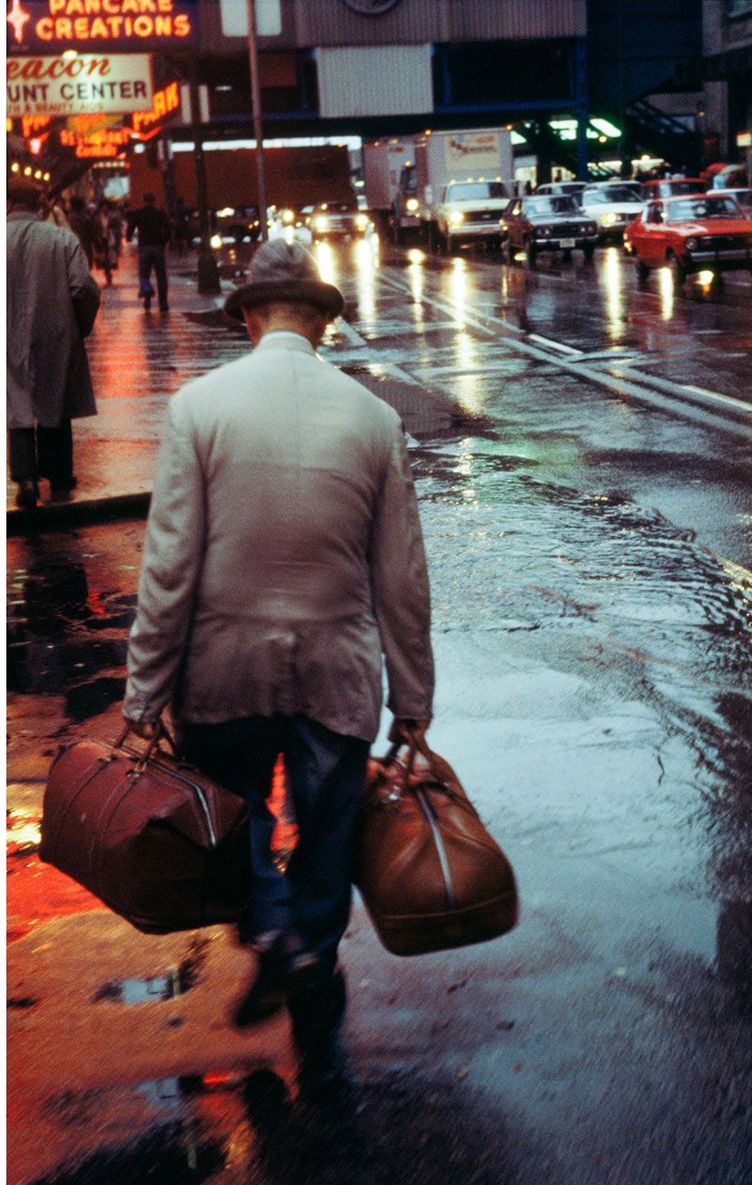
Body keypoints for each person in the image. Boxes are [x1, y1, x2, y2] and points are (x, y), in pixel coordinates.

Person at [122, 239, 435, 1091]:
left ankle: (269, 924)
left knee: (240, 806)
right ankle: (312, 957)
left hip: (222, 672)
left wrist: (145, 688)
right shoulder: (373, 420)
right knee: (329, 821)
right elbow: (400, 575)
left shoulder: (200, 408)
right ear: (323, 324)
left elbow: (170, 563)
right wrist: (412, 697)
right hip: (336, 668)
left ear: (250, 318)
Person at [7, 179, 101, 508]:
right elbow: (84, 288)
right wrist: (78, 326)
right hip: (53, 332)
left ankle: (26, 479)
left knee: (16, 407)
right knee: (55, 401)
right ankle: (58, 474)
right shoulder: (61, 239)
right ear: (42, 205)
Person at [126, 191, 171, 311]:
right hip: (157, 247)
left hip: (144, 247)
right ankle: (163, 303)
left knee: (144, 274)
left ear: (143, 200)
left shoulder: (139, 213)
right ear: (154, 200)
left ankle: (147, 297)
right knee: (161, 276)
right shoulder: (160, 213)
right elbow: (167, 229)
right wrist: (163, 242)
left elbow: (131, 227)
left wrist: (128, 237)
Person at [66, 195, 102, 267]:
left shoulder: (67, 217)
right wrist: (98, 246)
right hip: (84, 248)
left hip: (70, 249)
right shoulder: (86, 219)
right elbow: (93, 234)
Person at [95, 200, 123, 286]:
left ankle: (109, 274)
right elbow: (95, 229)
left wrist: (118, 242)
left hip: (111, 240)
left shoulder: (113, 217)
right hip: (101, 240)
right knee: (104, 259)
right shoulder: (97, 218)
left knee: (110, 258)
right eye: (103, 206)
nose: (105, 208)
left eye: (106, 206)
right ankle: (108, 275)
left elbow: (118, 229)